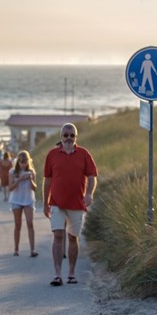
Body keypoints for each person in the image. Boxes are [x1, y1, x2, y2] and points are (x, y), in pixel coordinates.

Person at [42, 123, 98, 286]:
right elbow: (47, 180)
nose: (68, 138)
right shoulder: (52, 155)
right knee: (58, 236)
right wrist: (45, 202)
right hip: (56, 203)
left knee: (73, 238)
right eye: (65, 135)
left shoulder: (83, 154)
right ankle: (57, 274)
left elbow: (93, 176)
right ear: (61, 136)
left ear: (76, 138)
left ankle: (71, 273)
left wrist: (89, 194)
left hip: (77, 204)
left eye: (71, 135)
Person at [8, 150, 38, 257]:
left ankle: (33, 249)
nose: (23, 164)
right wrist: (19, 179)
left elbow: (34, 189)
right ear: (17, 162)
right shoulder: (12, 172)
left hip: (28, 200)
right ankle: (16, 249)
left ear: (28, 161)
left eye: (25, 161)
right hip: (16, 200)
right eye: (21, 161)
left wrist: (30, 180)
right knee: (18, 224)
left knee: (30, 223)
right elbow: (10, 188)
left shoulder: (31, 172)